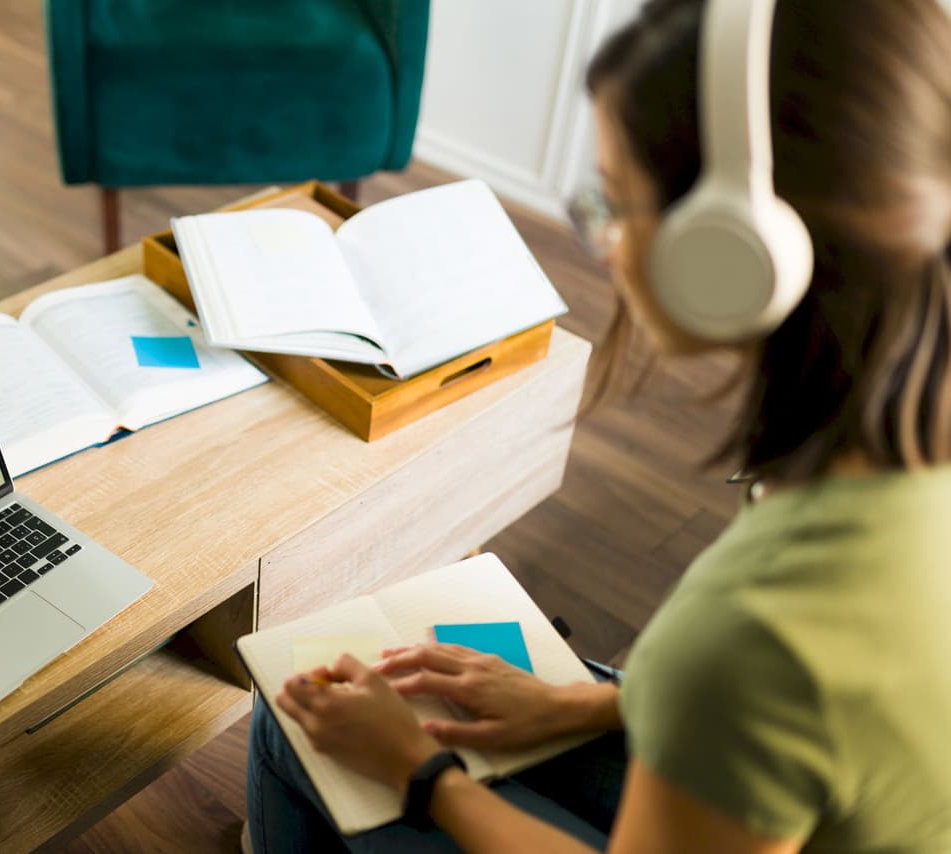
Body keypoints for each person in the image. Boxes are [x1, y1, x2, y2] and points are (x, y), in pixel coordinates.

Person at [246, 0, 951, 851]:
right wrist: (581, 702)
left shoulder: (756, 631)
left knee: (289, 720)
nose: (605, 242)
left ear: (724, 249)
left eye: (613, 200)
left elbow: (750, 688)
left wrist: (419, 776)